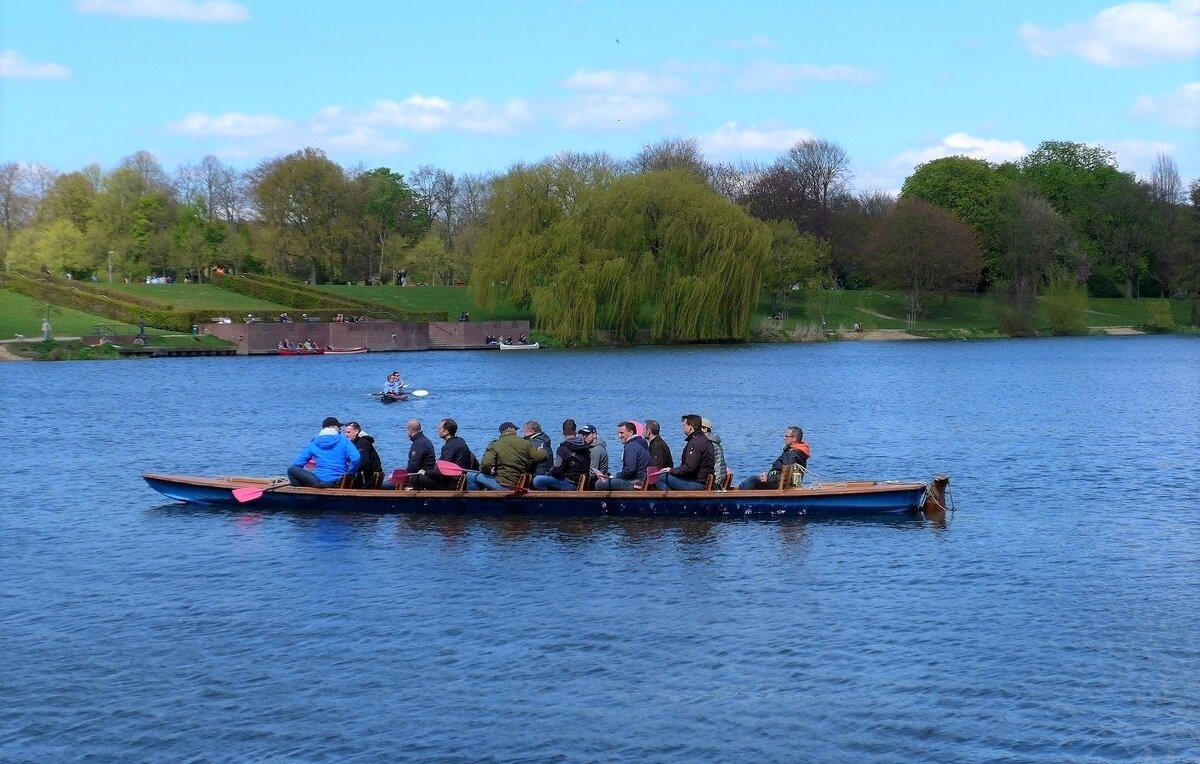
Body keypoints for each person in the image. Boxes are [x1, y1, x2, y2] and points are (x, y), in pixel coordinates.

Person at [466, 421, 548, 490]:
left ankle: (473, 502)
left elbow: (485, 465)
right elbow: (540, 457)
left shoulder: (495, 444)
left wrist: (489, 470)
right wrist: (542, 450)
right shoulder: (526, 443)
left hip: (504, 484)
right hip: (520, 482)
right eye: (515, 429)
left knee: (470, 475)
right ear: (509, 429)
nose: (516, 431)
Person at [287, 416, 360, 488]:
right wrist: (351, 473)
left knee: (291, 470)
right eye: (338, 427)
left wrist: (301, 478)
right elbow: (356, 458)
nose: (340, 429)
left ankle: (301, 494)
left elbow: (297, 463)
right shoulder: (344, 440)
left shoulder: (314, 442)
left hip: (321, 482)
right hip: (340, 481)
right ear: (332, 427)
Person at [740, 426, 811, 489]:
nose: (784, 438)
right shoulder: (799, 452)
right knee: (751, 481)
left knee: (752, 479)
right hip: (778, 482)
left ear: (794, 438)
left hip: (777, 484)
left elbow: (787, 476)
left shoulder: (791, 454)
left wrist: (768, 479)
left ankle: (740, 500)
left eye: (786, 436)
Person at [532, 419, 592, 490]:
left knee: (537, 480)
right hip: (580, 481)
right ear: (575, 430)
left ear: (563, 432)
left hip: (569, 483)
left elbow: (557, 470)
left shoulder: (563, 449)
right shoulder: (585, 446)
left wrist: (548, 474)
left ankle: (548, 498)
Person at [662, 414, 715, 491]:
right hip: (702, 481)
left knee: (661, 477)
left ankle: (670, 501)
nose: (682, 428)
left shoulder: (695, 442)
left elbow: (689, 467)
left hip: (697, 483)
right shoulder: (704, 440)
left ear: (690, 427)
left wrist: (671, 470)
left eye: (684, 425)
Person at [594, 421, 650, 491]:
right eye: (618, 433)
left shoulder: (631, 446)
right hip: (642, 480)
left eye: (621, 433)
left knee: (600, 483)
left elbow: (630, 470)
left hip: (636, 482)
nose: (619, 436)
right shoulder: (639, 444)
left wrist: (616, 476)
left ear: (630, 433)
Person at [344, 421, 383, 488]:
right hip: (366, 476)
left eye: (348, 432)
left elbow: (364, 463)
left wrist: (349, 470)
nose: (346, 435)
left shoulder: (362, 443)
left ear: (356, 431)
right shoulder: (353, 443)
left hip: (368, 479)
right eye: (345, 432)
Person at [404, 419, 439, 489]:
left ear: (410, 430)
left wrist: (401, 474)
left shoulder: (419, 444)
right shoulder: (423, 440)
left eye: (406, 430)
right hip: (427, 474)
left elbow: (413, 467)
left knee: (389, 483)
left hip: (422, 476)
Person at [644, 419, 673, 488]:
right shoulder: (657, 443)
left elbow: (656, 468)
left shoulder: (656, 446)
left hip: (661, 482)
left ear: (648, 431)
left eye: (644, 429)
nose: (643, 432)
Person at [700, 416, 728, 488]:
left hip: (715, 479)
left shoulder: (709, 443)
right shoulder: (714, 441)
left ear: (705, 429)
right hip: (719, 477)